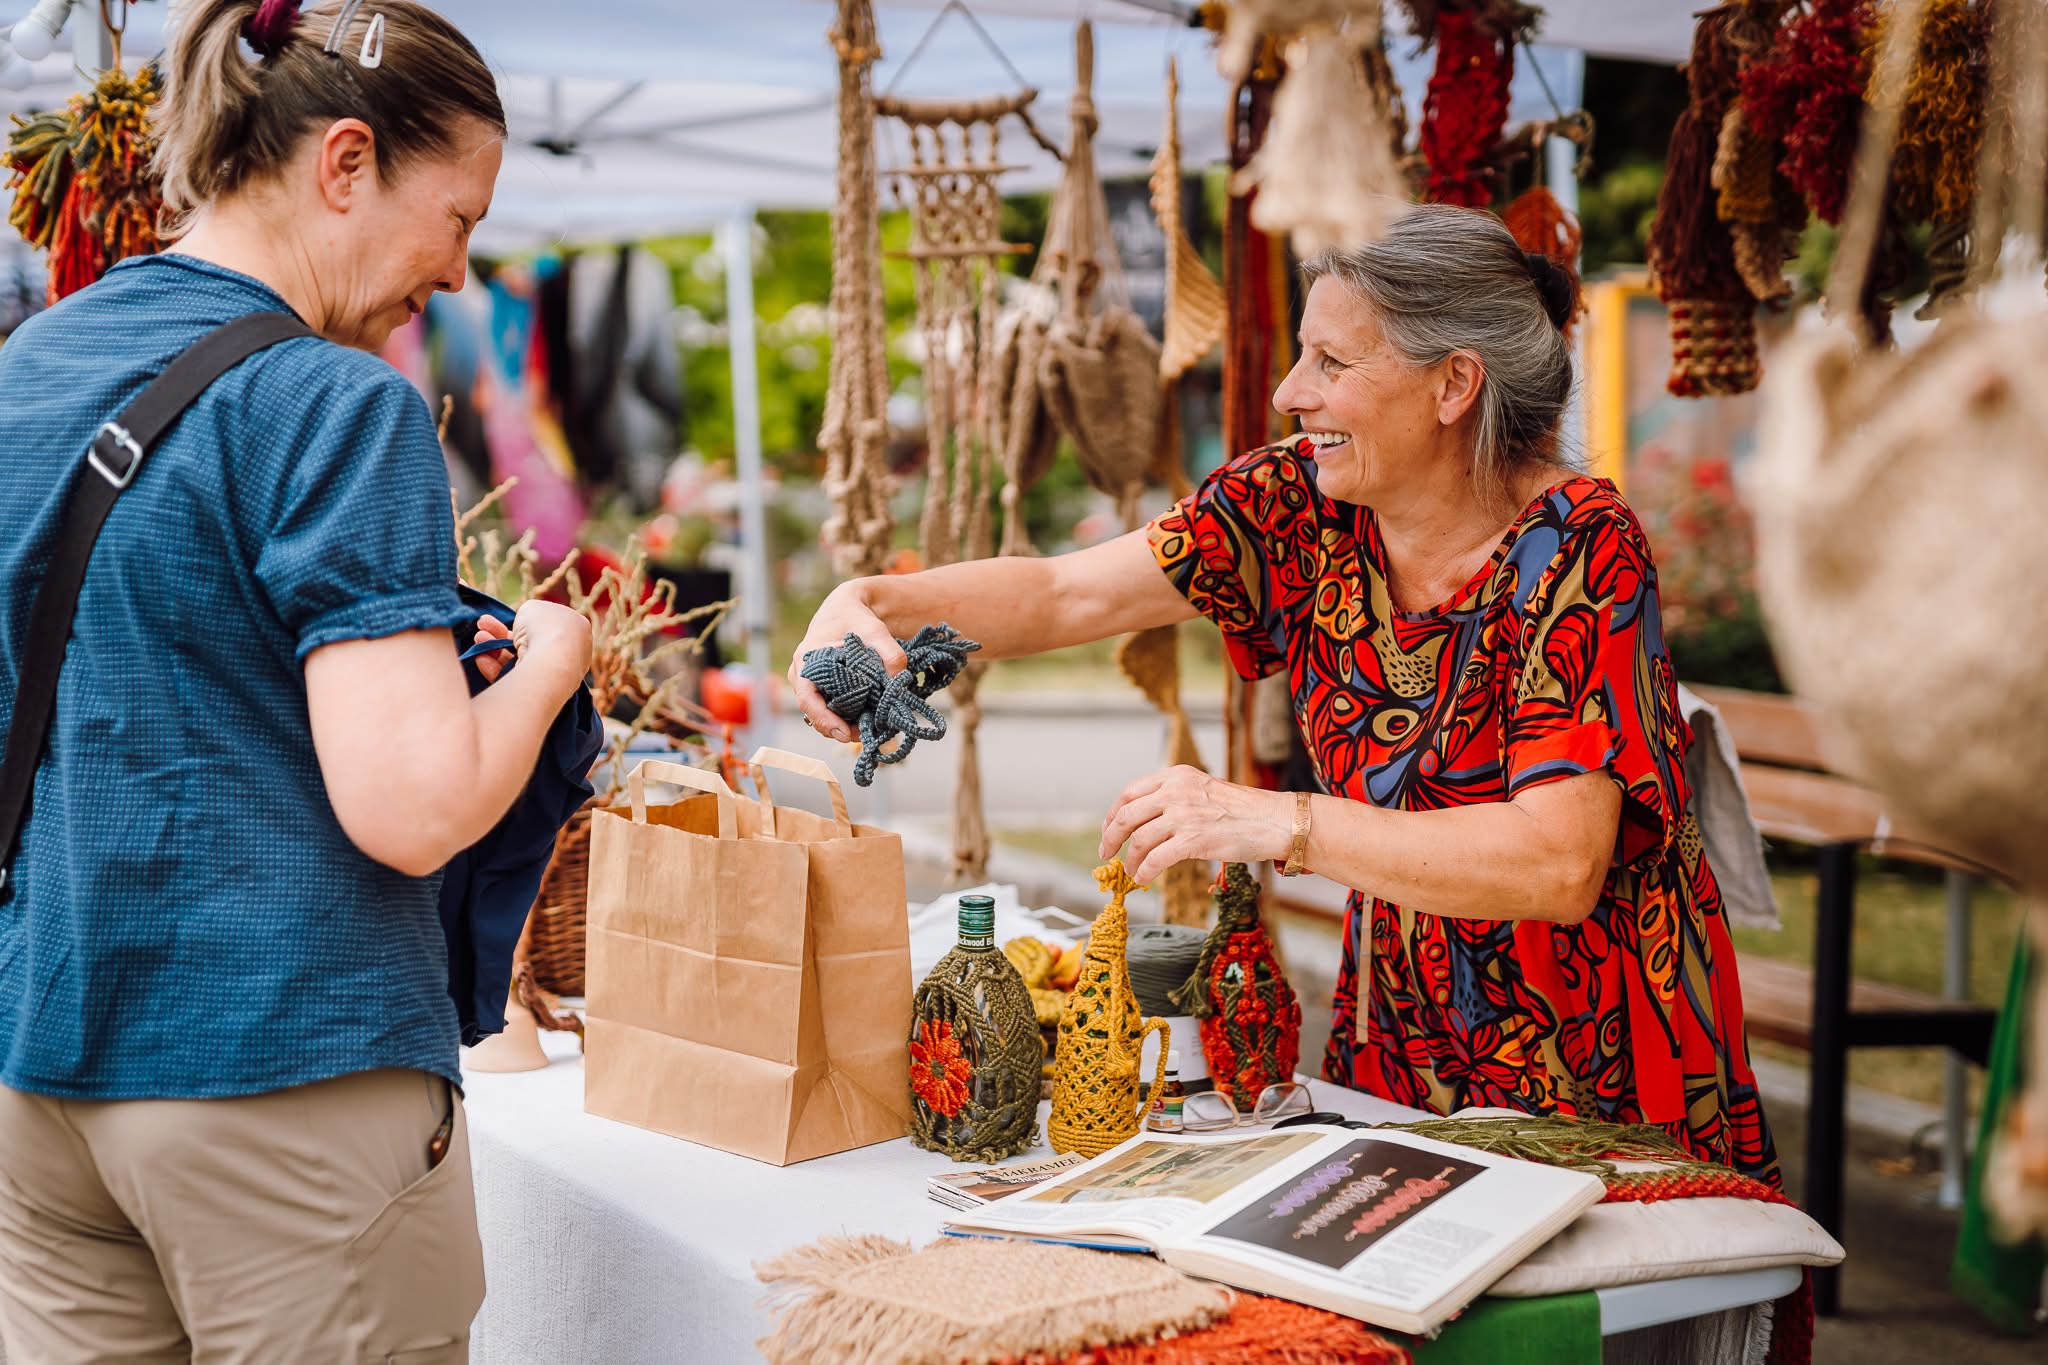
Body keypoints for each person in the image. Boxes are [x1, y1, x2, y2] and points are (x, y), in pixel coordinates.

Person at [793, 204, 1779, 1186]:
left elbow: (1556, 863)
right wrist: (871, 601)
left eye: (1331, 363)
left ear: (1453, 384)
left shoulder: (1581, 545)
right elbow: (1064, 591)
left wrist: (1276, 821)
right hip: (1397, 1038)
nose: (1287, 392)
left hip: (1595, 1067)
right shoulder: (1297, 501)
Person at [0, 2, 591, 1359]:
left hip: (41, 1078)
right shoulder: (337, 404)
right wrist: (552, 660)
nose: (458, 272)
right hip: (286, 1082)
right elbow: (414, 806)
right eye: (456, 217)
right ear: (345, 162)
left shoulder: (27, 369)